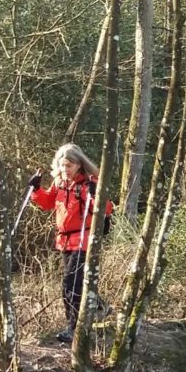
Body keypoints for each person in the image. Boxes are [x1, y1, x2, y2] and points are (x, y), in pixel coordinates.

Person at [29, 143, 113, 343]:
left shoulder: (88, 183)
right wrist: (36, 189)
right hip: (64, 240)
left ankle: (73, 327)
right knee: (77, 282)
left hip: (84, 239)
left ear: (79, 165)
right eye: (62, 165)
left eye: (69, 165)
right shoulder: (59, 182)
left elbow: (106, 209)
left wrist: (96, 194)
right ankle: (101, 306)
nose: (65, 169)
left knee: (70, 284)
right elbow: (48, 203)